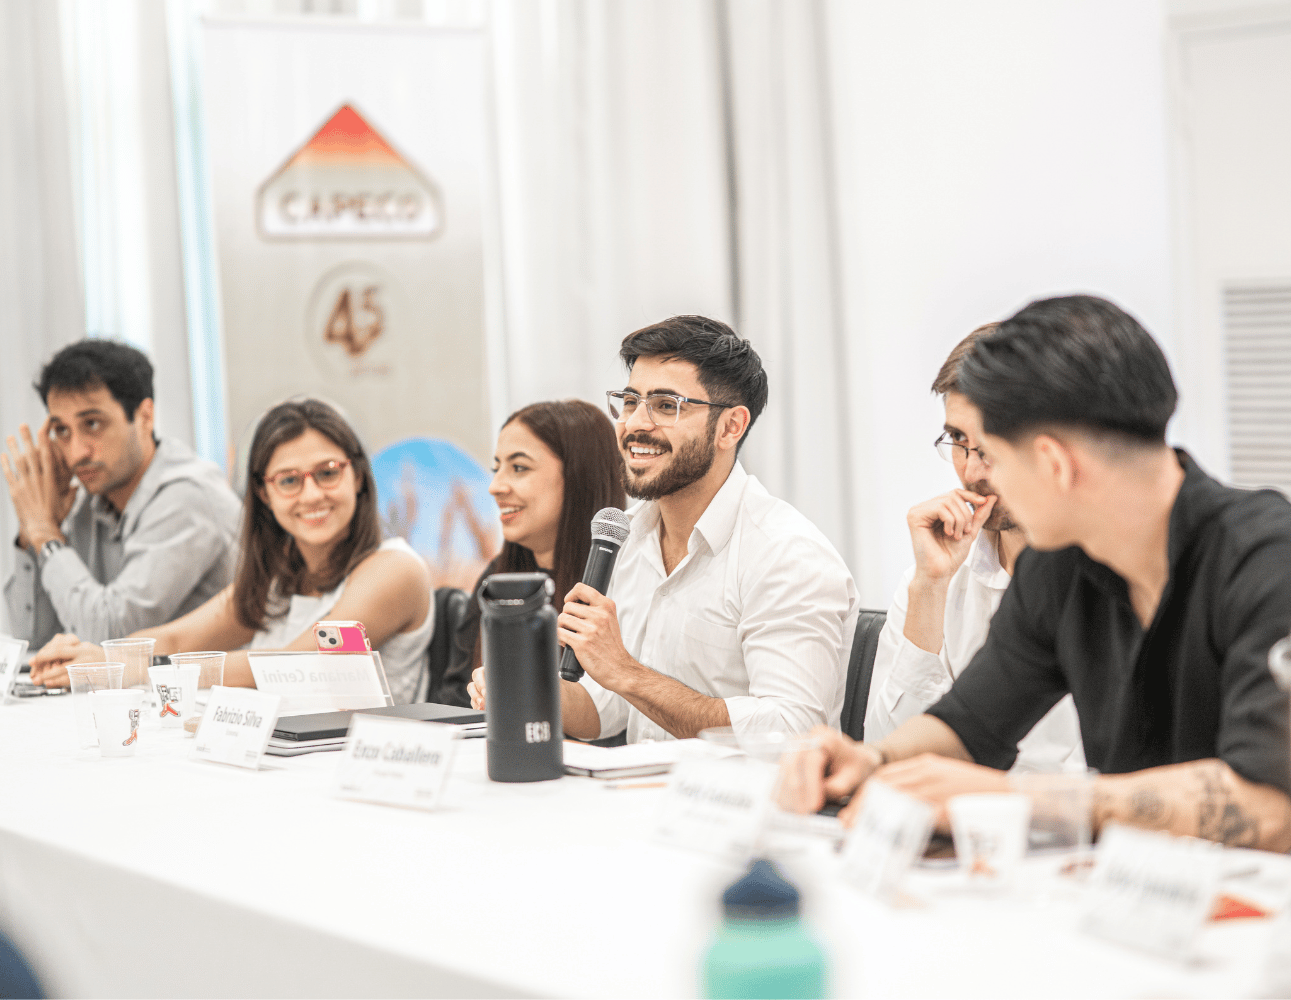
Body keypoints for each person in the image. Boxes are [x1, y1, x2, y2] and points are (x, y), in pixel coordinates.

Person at [789, 295, 1291, 850]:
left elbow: (1271, 807)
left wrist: (1022, 800)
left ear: (1055, 464)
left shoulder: (1268, 560)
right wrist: (871, 760)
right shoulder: (1058, 565)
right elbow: (970, 723)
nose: (977, 477)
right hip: (1130, 883)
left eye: (995, 458)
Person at [470, 315, 858, 742]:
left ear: (730, 427)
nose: (635, 423)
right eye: (630, 401)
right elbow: (606, 709)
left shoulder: (787, 554)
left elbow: (790, 730)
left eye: (666, 406)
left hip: (745, 787)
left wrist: (626, 672)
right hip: (641, 781)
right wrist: (524, 686)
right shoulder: (628, 535)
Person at [30, 399, 434, 703]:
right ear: (264, 493)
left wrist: (130, 668)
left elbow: (290, 666)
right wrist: (98, 656)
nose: (312, 494)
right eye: (289, 480)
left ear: (358, 477)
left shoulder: (395, 569)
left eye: (328, 473)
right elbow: (177, 638)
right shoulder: (280, 579)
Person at [865, 324, 1084, 771]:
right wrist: (930, 587)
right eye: (959, 443)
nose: (971, 472)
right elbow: (886, 748)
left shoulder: (1103, 570)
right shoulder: (939, 574)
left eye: (988, 448)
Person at [2, 340, 241, 650]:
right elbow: (33, 637)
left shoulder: (189, 497)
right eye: (62, 431)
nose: (76, 453)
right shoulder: (91, 500)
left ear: (145, 417)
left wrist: (45, 535)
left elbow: (112, 638)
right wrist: (33, 533)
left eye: (92, 424)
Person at [437, 399, 627, 707]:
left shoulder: (628, 576)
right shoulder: (498, 577)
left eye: (519, 468)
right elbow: (453, 701)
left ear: (580, 475)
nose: (495, 486)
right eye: (496, 468)